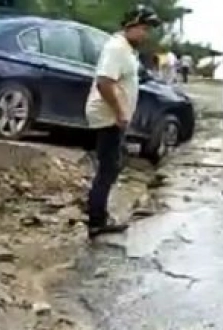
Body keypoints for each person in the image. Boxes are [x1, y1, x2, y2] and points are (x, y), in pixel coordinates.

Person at [84, 5, 161, 239]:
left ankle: (99, 215)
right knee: (108, 169)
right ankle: (96, 221)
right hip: (108, 116)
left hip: (113, 116)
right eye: (143, 29)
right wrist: (120, 113)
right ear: (131, 25)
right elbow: (104, 82)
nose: (145, 34)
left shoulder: (126, 49)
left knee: (111, 166)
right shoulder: (117, 48)